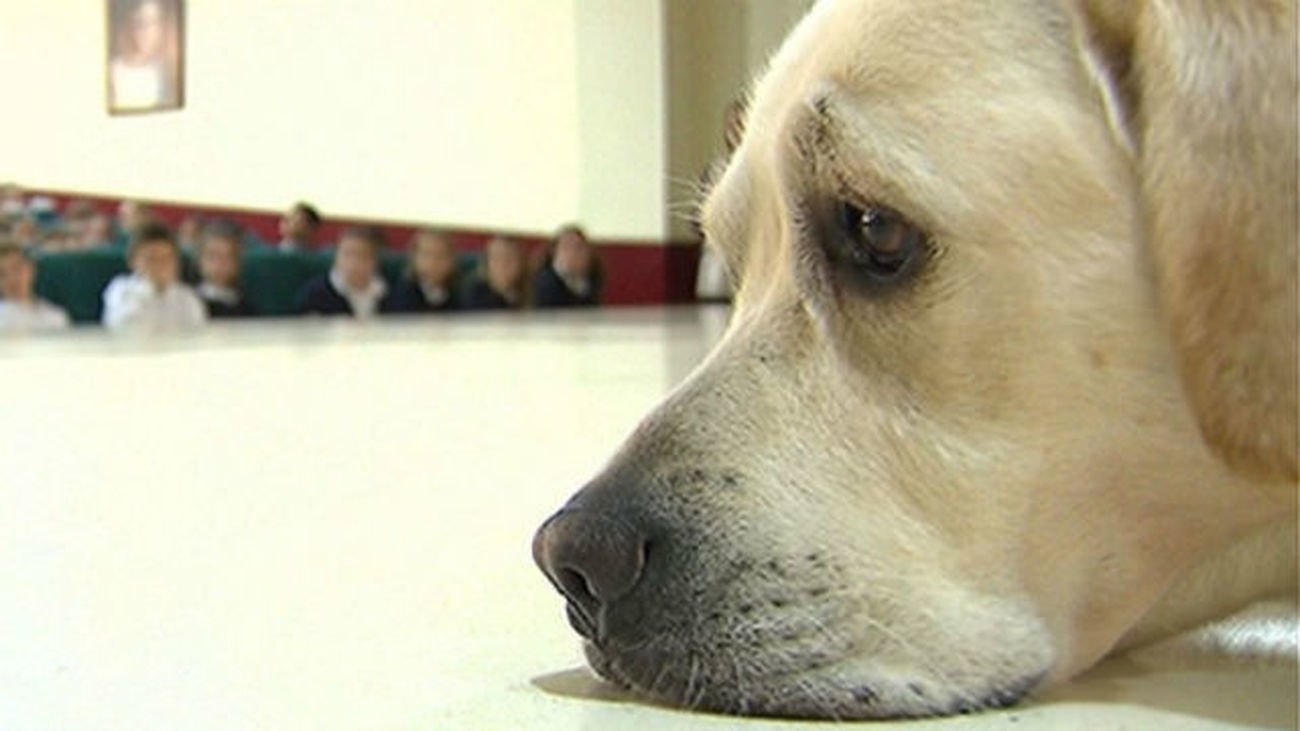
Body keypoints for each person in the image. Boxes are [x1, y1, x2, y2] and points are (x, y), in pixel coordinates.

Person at [101, 221, 206, 331]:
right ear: (132, 261)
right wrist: (152, 287)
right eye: (151, 259)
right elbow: (123, 330)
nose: (159, 266)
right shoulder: (120, 291)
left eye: (166, 259)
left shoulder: (188, 298)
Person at [294, 226, 388, 318]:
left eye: (363, 256)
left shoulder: (385, 292)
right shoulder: (315, 293)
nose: (353, 262)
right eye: (347, 254)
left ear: (376, 261)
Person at [108, 0, 181, 111]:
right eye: (139, 22)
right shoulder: (113, 71)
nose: (147, 30)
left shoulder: (165, 70)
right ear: (128, 25)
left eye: (153, 22)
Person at [0, 241, 71, 333]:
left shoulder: (56, 316)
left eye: (17, 269)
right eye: (2, 274)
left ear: (31, 269)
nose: (12, 278)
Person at [385, 229, 460, 313]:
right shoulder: (400, 297)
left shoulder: (460, 295)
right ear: (414, 258)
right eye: (426, 255)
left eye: (441, 255)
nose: (433, 262)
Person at [195, 220, 255, 318]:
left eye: (227, 257)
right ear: (199, 259)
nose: (219, 264)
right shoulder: (187, 302)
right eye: (212, 256)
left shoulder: (245, 308)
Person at [533, 224, 601, 308]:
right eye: (567, 247)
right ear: (554, 252)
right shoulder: (545, 283)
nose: (573, 253)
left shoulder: (590, 282)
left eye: (579, 248)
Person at [459, 236, 526, 310]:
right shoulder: (471, 297)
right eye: (497, 259)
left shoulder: (532, 292)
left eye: (510, 258)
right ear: (486, 263)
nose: (503, 265)